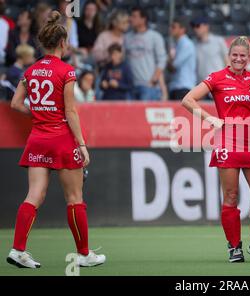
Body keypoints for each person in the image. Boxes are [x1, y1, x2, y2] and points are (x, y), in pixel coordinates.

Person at [6, 11, 105, 268]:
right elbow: (70, 111)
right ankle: (84, 254)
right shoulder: (67, 71)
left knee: (34, 195)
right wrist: (82, 144)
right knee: (74, 198)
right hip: (61, 138)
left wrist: (39, 113)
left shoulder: (30, 70)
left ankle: (18, 250)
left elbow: (16, 104)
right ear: (62, 43)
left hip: (37, 137)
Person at [182, 36, 250, 263]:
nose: (239, 59)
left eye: (243, 55)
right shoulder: (217, 78)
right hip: (227, 143)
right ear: (228, 57)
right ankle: (234, 247)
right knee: (231, 196)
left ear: (249, 58)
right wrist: (210, 118)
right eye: (235, 55)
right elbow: (188, 100)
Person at [125, 7, 167, 101]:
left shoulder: (155, 37)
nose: (131, 19)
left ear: (143, 19)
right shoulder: (127, 37)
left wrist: (154, 80)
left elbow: (162, 60)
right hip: (130, 86)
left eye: (134, 16)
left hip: (148, 86)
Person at [191, 16, 229, 85]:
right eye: (193, 26)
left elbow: (227, 61)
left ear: (206, 26)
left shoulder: (218, 41)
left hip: (218, 84)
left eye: (198, 26)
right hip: (202, 85)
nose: (195, 29)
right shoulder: (193, 44)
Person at [167, 16, 196, 101]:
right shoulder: (177, 43)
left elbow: (173, 67)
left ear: (182, 29)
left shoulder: (186, 44)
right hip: (177, 86)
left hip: (184, 87)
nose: (170, 29)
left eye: (174, 27)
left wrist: (169, 61)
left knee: (183, 114)